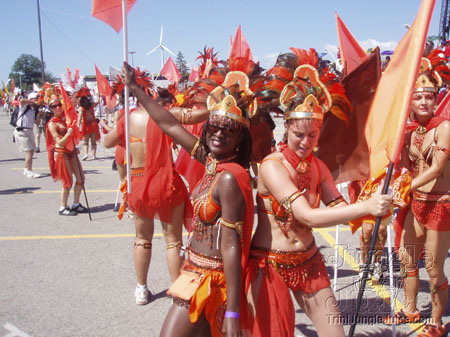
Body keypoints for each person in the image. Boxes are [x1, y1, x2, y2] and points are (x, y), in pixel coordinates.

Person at [243, 49, 392, 337]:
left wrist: (371, 217)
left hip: (308, 261)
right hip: (270, 263)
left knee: (334, 332)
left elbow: (337, 205)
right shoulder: (272, 167)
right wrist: (365, 208)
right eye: (299, 134)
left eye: (313, 135)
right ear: (286, 127)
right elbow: (307, 216)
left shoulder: (318, 165)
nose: (306, 142)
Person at [122, 57, 258, 336]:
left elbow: (232, 247)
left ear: (239, 139)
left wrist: (233, 310)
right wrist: (135, 89)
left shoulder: (230, 178)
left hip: (214, 280)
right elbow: (168, 124)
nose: (219, 134)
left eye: (228, 131)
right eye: (214, 127)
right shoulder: (210, 160)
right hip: (193, 270)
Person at [103, 70, 191, 306]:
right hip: (166, 182)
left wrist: (125, 133)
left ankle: (141, 290)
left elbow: (106, 142)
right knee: (173, 242)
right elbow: (195, 116)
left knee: (142, 239)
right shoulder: (166, 114)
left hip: (139, 182)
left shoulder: (128, 118)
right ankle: (178, 292)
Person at [384, 54, 450, 337]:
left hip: (439, 205)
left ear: (436, 101)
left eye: (429, 97)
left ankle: (436, 323)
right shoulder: (409, 131)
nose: (423, 102)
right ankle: (410, 308)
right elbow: (402, 165)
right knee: (407, 259)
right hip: (415, 206)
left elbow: (436, 170)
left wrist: (405, 187)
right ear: (410, 102)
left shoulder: (444, 128)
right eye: (418, 97)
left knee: (434, 270)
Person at [44, 87, 88, 216]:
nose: (58, 108)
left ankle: (76, 204)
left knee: (80, 179)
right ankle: (63, 207)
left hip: (72, 152)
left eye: (59, 105)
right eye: (54, 106)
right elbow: (59, 142)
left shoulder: (67, 117)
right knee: (67, 182)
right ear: (50, 109)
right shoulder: (52, 124)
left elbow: (74, 102)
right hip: (62, 154)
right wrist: (69, 134)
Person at [14, 92, 42, 178]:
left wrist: (39, 115)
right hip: (21, 130)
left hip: (30, 130)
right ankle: (30, 171)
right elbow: (22, 100)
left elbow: (37, 123)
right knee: (29, 151)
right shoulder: (25, 107)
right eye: (35, 98)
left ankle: (26, 169)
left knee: (32, 150)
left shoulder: (34, 110)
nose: (37, 100)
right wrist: (31, 102)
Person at [76, 88, 100, 160]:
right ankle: (94, 155)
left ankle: (86, 154)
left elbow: (80, 117)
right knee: (93, 142)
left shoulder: (81, 108)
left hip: (86, 126)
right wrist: (98, 95)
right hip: (93, 125)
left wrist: (78, 125)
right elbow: (97, 102)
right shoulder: (91, 106)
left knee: (85, 142)